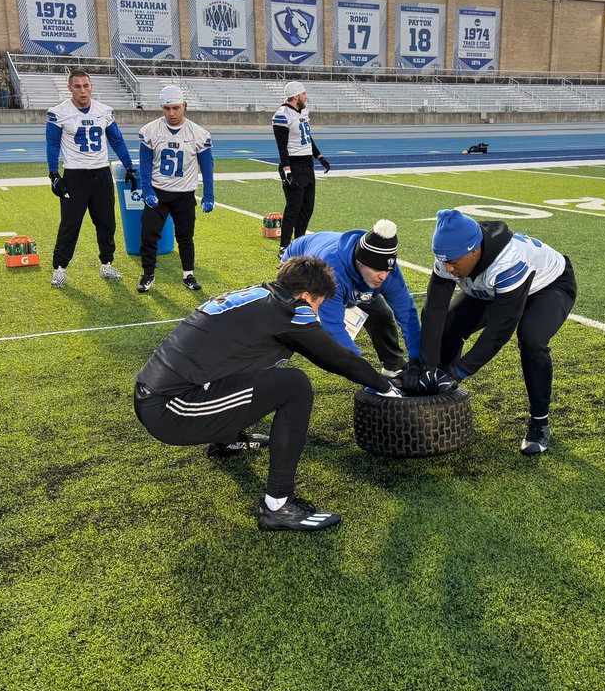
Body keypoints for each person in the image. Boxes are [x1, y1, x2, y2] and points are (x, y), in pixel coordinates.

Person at [133, 255, 401, 532]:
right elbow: (337, 359)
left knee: (261, 372)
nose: (317, 312)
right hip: (173, 410)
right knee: (293, 385)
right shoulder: (291, 308)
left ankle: (227, 439)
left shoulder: (261, 294)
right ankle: (278, 506)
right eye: (318, 304)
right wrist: (385, 387)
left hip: (154, 394)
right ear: (306, 295)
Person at [417, 209, 577, 456]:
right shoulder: (451, 253)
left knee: (532, 338)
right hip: (491, 289)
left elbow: (499, 331)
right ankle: (439, 400)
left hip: (548, 287)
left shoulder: (509, 260)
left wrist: (459, 372)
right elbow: (433, 312)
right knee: (448, 324)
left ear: (474, 250)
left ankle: (539, 423)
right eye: (444, 261)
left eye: (453, 262)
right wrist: (427, 366)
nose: (448, 268)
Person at [282, 219, 420, 377]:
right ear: (359, 262)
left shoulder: (389, 274)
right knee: (296, 320)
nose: (383, 276)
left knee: (381, 313)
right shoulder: (331, 273)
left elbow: (407, 315)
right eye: (376, 269)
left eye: (387, 270)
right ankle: (271, 363)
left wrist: (417, 359)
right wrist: (365, 372)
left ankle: (393, 365)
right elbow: (334, 327)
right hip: (299, 260)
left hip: (353, 281)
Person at [46, 69, 136, 287]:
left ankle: (106, 264)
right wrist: (53, 173)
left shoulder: (104, 111)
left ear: (91, 86)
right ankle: (60, 268)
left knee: (106, 222)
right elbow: (53, 144)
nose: (82, 90)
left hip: (101, 173)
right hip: (75, 175)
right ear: (70, 88)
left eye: (86, 85)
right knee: (70, 223)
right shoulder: (59, 112)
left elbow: (117, 141)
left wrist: (129, 166)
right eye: (77, 86)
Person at [136, 85, 215, 293]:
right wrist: (147, 190)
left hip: (184, 194)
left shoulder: (198, 133)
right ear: (162, 108)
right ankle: (148, 274)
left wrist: (208, 194)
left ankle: (188, 274)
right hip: (158, 192)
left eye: (176, 108)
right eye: (167, 108)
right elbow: (144, 164)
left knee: (185, 236)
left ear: (184, 106)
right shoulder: (151, 130)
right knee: (148, 234)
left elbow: (207, 166)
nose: (171, 113)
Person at [272, 81, 330, 255]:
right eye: (303, 94)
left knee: (307, 208)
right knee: (293, 208)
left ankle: (298, 243)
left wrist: (319, 156)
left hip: (307, 164)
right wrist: (287, 170)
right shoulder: (282, 115)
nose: (306, 96)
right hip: (294, 164)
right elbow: (281, 147)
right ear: (296, 96)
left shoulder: (303, 111)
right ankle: (283, 247)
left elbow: (307, 137)